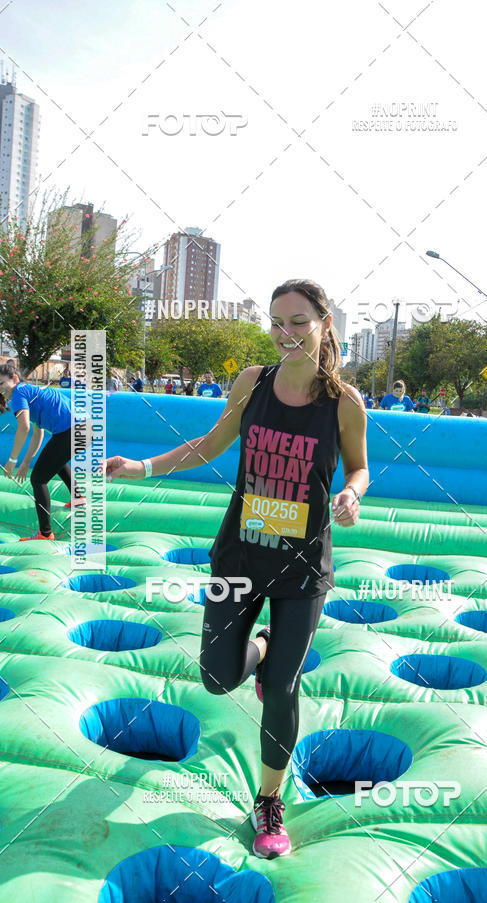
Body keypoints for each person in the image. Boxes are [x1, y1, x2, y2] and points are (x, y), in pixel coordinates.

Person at [101, 278, 369, 859]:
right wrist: (141, 468)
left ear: (325, 324)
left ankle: (268, 800)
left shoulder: (345, 403)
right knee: (219, 676)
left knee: (281, 688)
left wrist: (352, 495)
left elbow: (359, 469)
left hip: (302, 568)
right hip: (240, 555)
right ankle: (266, 647)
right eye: (278, 321)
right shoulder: (253, 383)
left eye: (299, 321)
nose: (286, 333)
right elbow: (209, 442)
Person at [0, 364, 86, 540]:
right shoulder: (30, 392)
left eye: (1, 384)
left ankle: (45, 533)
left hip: (72, 430)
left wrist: (12, 460)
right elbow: (37, 434)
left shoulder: (19, 393)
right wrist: (25, 462)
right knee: (56, 460)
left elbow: (23, 428)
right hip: (85, 428)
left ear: (15, 379)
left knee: (38, 479)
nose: (1, 390)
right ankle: (78, 497)